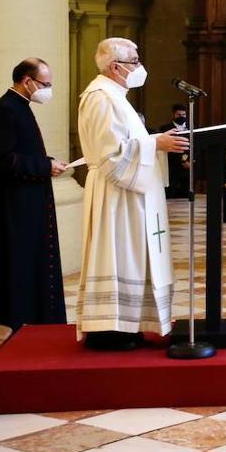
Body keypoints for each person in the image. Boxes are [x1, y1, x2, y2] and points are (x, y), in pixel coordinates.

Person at [77, 38, 187, 350]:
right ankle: (108, 330)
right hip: (115, 197)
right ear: (115, 67)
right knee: (119, 256)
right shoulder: (100, 98)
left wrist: (155, 140)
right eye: (134, 61)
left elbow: (127, 142)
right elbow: (109, 155)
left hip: (129, 194)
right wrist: (156, 144)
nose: (140, 67)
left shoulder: (116, 96)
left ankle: (129, 323)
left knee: (133, 258)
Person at [0, 57, 70, 331]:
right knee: (19, 265)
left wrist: (48, 162)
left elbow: (23, 151)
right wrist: (45, 166)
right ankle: (19, 321)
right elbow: (5, 158)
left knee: (34, 262)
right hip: (16, 204)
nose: (48, 89)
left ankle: (40, 320)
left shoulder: (19, 106)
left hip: (29, 199)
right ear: (27, 81)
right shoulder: (7, 109)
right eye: (45, 83)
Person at [158, 104, 190, 199]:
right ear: (173, 115)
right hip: (172, 166)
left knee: (187, 196)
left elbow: (196, 147)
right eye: (178, 115)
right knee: (171, 194)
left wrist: (190, 161)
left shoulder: (192, 127)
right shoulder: (165, 128)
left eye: (183, 115)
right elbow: (165, 148)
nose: (181, 117)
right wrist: (181, 161)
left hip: (188, 168)